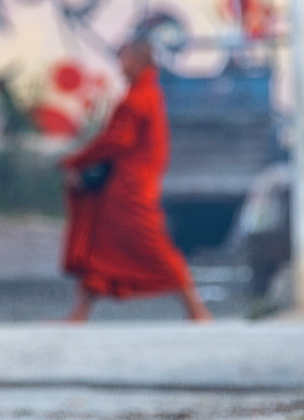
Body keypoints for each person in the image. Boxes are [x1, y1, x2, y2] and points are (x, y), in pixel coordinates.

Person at [59, 40, 212, 322]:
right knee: (102, 245)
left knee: (152, 243)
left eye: (124, 58)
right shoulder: (147, 94)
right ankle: (79, 313)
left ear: (140, 60)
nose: (120, 65)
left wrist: (76, 160)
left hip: (133, 186)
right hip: (128, 183)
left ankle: (196, 308)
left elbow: (117, 140)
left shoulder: (139, 98)